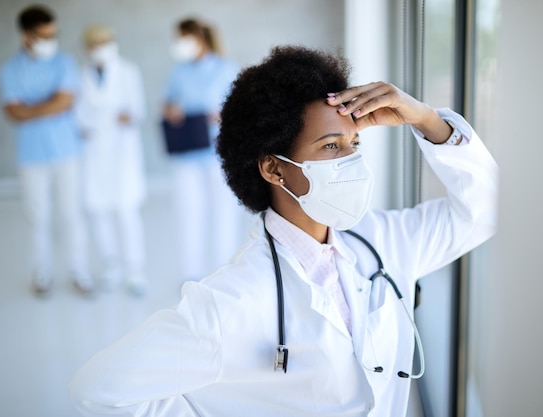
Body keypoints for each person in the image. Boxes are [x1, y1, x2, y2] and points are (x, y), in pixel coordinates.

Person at [69, 46, 498, 416]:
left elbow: (485, 210)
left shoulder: (386, 242)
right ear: (275, 168)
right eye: (331, 146)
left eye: (354, 144)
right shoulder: (229, 301)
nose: (350, 160)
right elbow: (98, 392)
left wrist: (425, 119)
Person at [0, 4, 93, 296]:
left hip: (67, 152)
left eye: (54, 34)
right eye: (43, 35)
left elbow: (65, 101)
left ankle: (80, 272)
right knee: (37, 217)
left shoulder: (64, 62)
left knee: (71, 215)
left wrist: (32, 107)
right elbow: (13, 112)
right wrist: (50, 104)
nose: (50, 41)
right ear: (26, 36)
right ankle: (42, 274)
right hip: (32, 157)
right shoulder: (9, 70)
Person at [163, 17, 244, 280]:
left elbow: (240, 109)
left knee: (223, 214)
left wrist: (220, 115)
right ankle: (191, 275)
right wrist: (171, 109)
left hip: (217, 153)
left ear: (198, 38)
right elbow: (167, 102)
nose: (179, 44)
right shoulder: (179, 71)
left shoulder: (225, 68)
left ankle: (223, 274)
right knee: (188, 214)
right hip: (187, 152)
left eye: (182, 38)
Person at [76, 25, 148, 296]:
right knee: (99, 211)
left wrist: (111, 118)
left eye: (104, 42)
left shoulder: (128, 71)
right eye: (94, 44)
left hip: (122, 153)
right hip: (94, 153)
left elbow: (136, 112)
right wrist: (104, 118)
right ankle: (112, 267)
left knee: (126, 211)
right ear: (87, 48)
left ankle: (135, 271)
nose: (100, 48)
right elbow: (78, 117)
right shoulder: (80, 75)